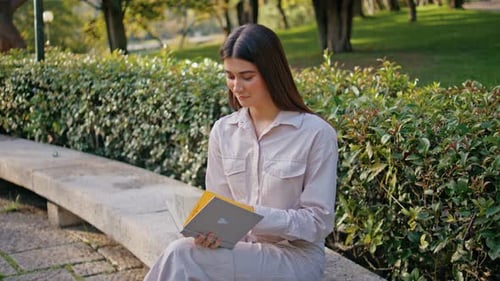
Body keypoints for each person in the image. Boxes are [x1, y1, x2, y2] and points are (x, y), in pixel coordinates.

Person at [144, 23, 338, 281]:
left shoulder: (315, 133)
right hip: (241, 250)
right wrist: (211, 234)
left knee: (182, 256)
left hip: (294, 258)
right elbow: (219, 206)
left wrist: (252, 216)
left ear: (272, 73)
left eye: (247, 76)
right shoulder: (224, 131)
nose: (237, 86)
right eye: (230, 76)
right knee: (186, 252)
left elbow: (318, 223)